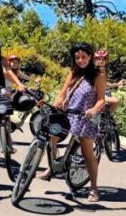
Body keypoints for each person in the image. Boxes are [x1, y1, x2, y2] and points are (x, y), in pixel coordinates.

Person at [40, 42, 106, 202]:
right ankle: (52, 167)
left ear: (90, 57)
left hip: (85, 118)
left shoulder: (98, 75)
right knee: (52, 139)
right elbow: (62, 94)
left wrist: (94, 109)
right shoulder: (73, 73)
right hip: (68, 114)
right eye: (77, 57)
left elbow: (101, 100)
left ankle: (94, 188)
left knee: (87, 153)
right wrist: (53, 106)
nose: (81, 60)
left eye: (84, 57)